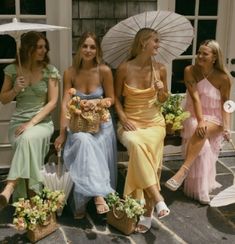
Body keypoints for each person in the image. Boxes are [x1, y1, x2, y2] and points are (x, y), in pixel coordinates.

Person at [54, 32, 117, 219]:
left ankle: (85, 199)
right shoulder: (70, 72)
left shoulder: (104, 71)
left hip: (101, 124)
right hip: (78, 123)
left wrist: (97, 103)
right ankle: (96, 196)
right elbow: (65, 104)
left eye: (92, 47)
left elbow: (111, 98)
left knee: (90, 142)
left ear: (97, 50)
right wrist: (63, 133)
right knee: (82, 140)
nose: (88, 50)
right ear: (79, 48)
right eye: (85, 46)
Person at [115, 28, 170, 233]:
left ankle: (147, 211)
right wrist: (123, 118)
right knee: (138, 144)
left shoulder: (161, 68)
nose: (158, 44)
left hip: (155, 123)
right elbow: (117, 102)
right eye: (155, 41)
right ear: (142, 43)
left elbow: (164, 100)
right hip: (130, 122)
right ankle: (156, 199)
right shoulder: (123, 68)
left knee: (148, 146)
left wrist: (161, 90)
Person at [165, 40, 232, 204]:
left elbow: (227, 104)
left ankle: (182, 172)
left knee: (200, 132)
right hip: (194, 115)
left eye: (205, 54)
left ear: (214, 57)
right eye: (199, 52)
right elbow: (195, 99)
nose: (200, 56)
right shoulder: (190, 71)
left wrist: (227, 127)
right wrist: (201, 120)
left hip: (215, 119)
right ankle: (199, 188)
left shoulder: (224, 78)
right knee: (201, 137)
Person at [0, 31, 60, 209]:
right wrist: (15, 90)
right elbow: (3, 99)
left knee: (27, 139)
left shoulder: (50, 71)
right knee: (26, 142)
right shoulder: (13, 70)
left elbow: (53, 102)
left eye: (44, 47)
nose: (44, 50)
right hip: (18, 123)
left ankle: (10, 187)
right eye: (39, 47)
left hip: (41, 122)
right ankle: (34, 200)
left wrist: (31, 123)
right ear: (28, 49)